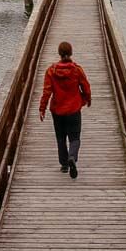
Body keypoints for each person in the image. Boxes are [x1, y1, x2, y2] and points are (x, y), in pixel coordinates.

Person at [39, 41, 91, 179]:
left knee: (60, 138)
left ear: (59, 53)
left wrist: (42, 108)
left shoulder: (51, 71)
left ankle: (64, 164)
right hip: (74, 109)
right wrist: (87, 99)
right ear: (71, 52)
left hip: (57, 110)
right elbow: (85, 86)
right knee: (75, 138)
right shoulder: (77, 70)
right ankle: (72, 156)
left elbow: (47, 91)